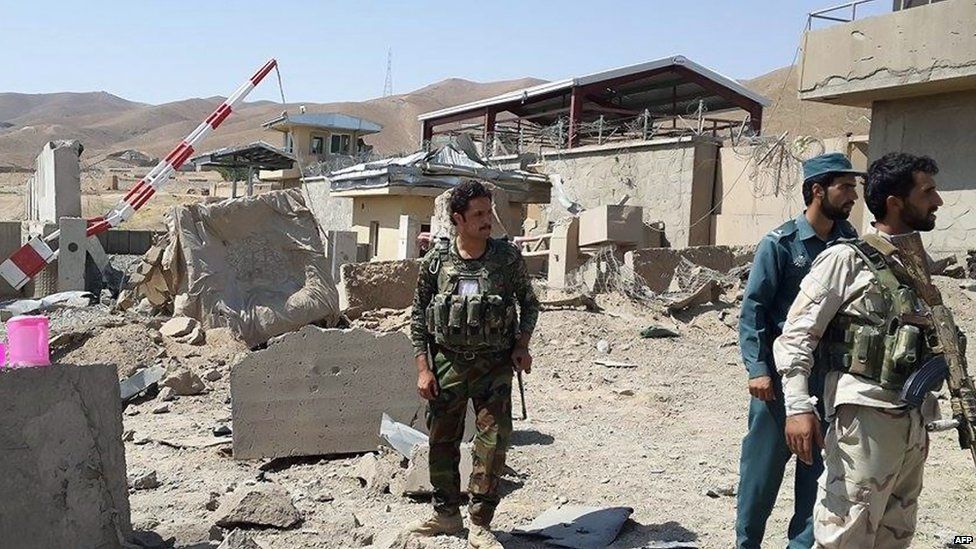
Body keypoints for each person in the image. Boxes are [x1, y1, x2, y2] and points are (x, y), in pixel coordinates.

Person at [773, 152, 947, 548]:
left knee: (895, 531)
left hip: (912, 419)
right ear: (895, 202)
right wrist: (798, 407)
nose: (937, 201)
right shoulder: (845, 259)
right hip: (866, 419)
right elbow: (797, 335)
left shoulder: (919, 264)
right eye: (928, 191)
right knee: (846, 531)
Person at [735, 153, 861, 548]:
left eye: (854, 188)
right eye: (845, 187)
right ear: (816, 190)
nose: (853, 196)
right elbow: (753, 308)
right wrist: (757, 368)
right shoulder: (781, 244)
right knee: (760, 479)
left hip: (830, 385)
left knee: (819, 483)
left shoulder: (851, 245)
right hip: (779, 385)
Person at [406, 179, 539, 548]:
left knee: (492, 443)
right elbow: (418, 315)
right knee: (441, 440)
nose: (487, 221)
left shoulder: (507, 259)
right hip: (447, 364)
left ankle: (480, 522)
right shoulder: (436, 262)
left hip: (494, 366)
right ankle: (446, 515)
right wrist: (423, 367)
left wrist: (522, 345)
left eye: (488, 213)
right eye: (478, 214)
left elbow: (530, 304)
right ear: (457, 219)